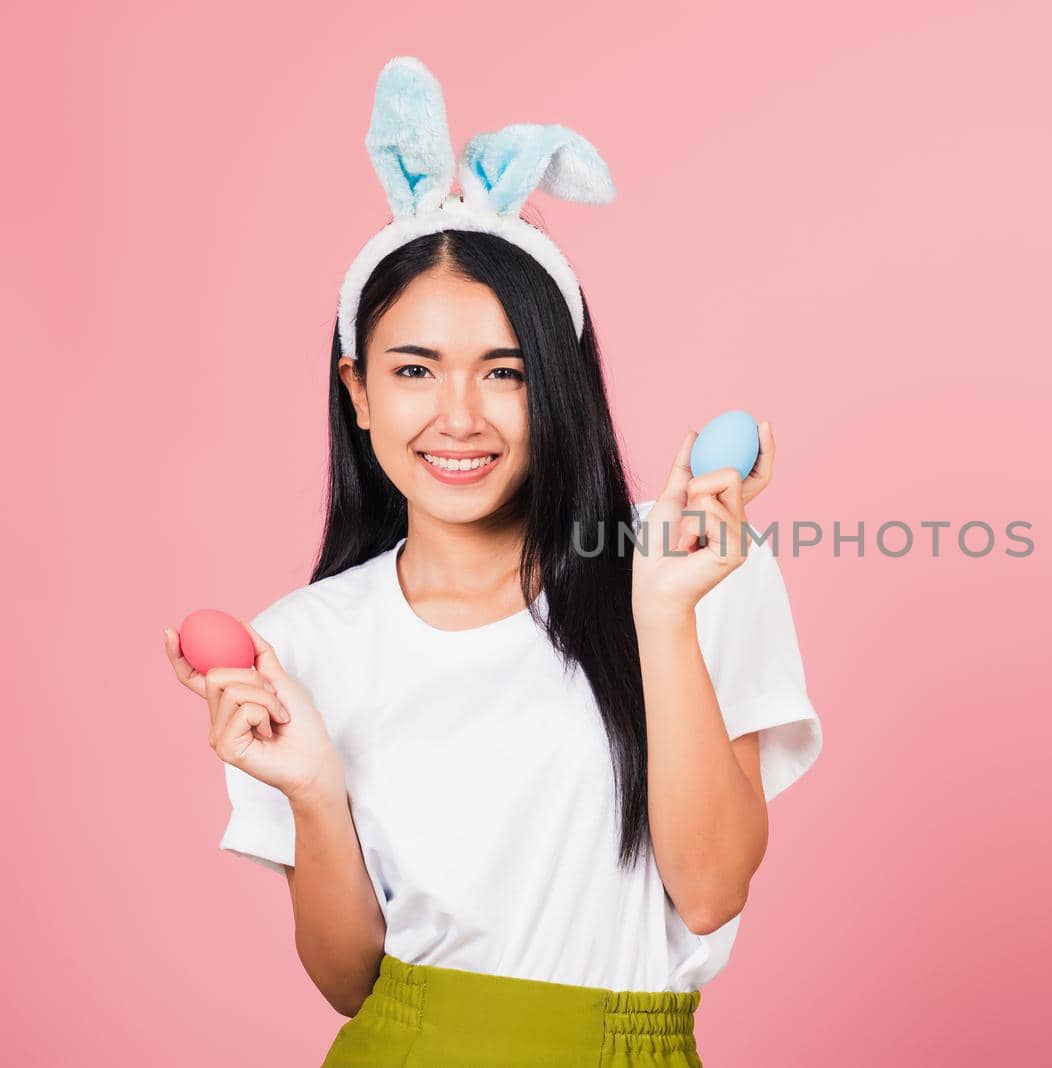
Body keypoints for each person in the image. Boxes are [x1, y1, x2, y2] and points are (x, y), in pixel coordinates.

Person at [160, 57, 822, 1067]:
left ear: (557, 387)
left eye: (505, 373)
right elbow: (350, 982)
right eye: (414, 369)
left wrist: (660, 617)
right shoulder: (300, 643)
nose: (457, 417)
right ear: (359, 389)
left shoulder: (687, 564)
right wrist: (310, 789)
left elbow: (713, 886)